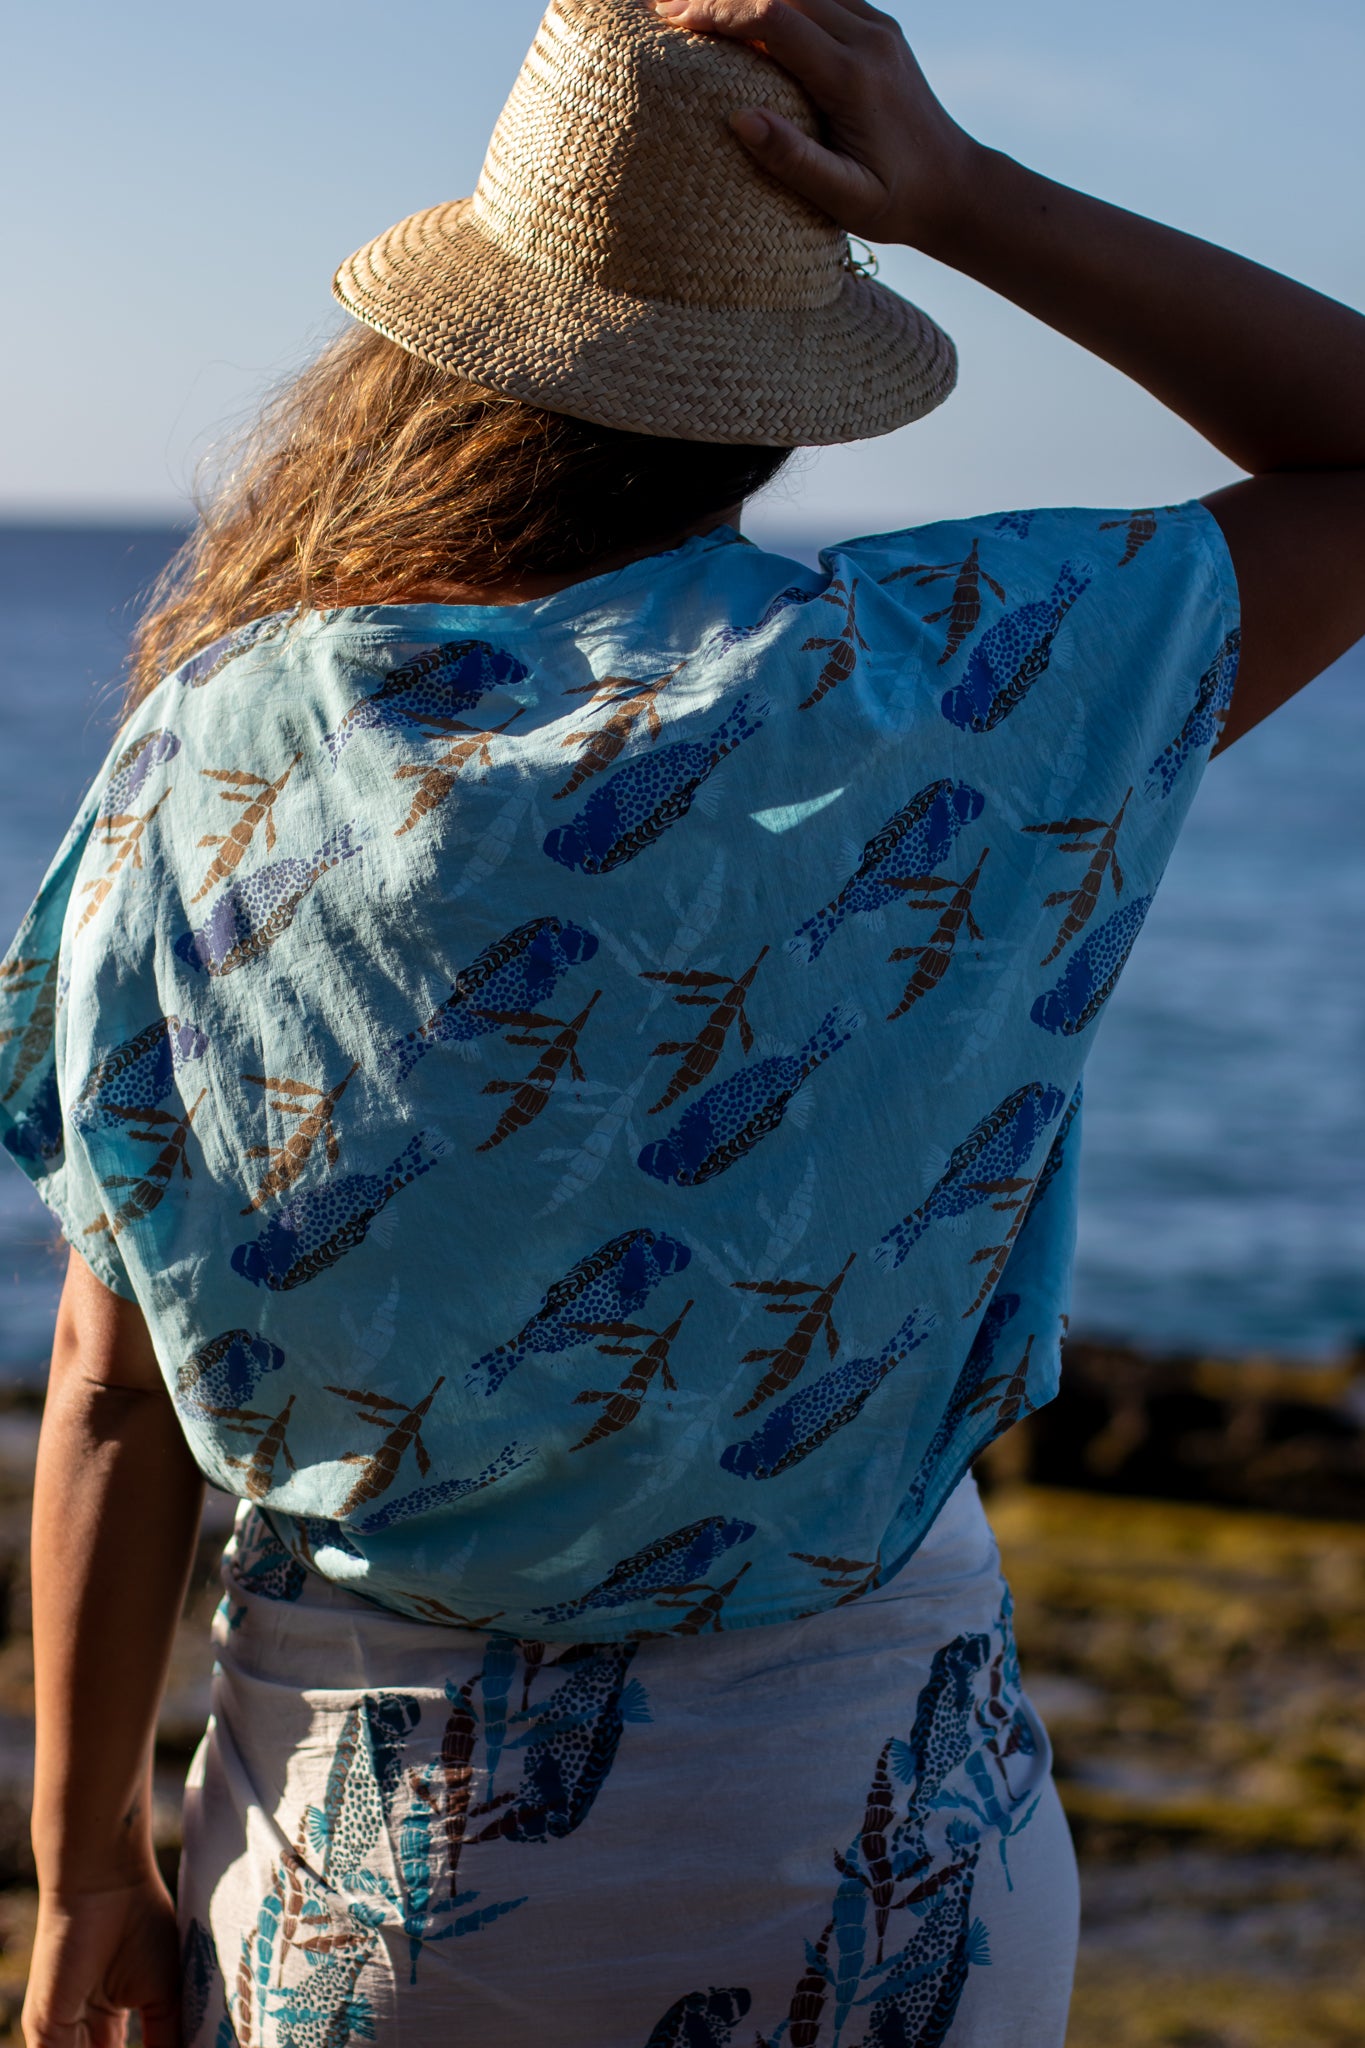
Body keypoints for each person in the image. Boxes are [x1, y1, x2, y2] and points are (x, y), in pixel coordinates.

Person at [6, 0, 1364, 2041]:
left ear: (460, 341)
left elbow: (113, 1395)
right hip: (878, 1840)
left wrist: (85, 1869)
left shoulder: (223, 745)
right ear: (776, 397)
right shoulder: (951, 684)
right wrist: (967, 197)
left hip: (378, 1877)